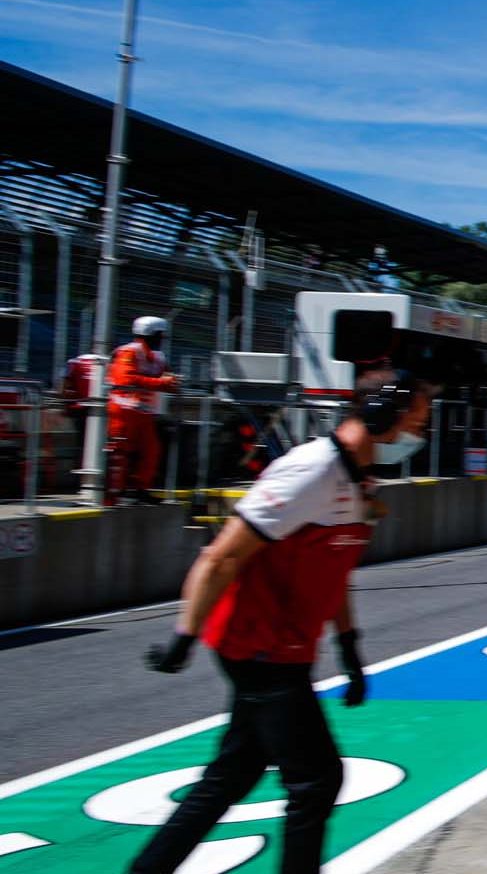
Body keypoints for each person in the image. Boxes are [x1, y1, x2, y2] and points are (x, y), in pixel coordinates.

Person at [134, 370, 435, 874]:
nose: (419, 437)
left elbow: (333, 568)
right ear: (383, 415)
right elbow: (220, 556)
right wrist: (183, 637)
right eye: (417, 422)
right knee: (316, 778)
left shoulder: (359, 481)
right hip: (259, 647)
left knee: (234, 773)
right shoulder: (309, 472)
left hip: (288, 647)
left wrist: (349, 647)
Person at [109, 316, 180, 504]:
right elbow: (125, 380)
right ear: (150, 334)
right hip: (123, 409)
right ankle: (118, 491)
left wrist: (172, 382)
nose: (162, 340)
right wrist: (160, 383)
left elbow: (168, 379)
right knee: (121, 451)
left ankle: (140, 489)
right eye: (160, 335)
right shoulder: (127, 352)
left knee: (151, 451)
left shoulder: (158, 357)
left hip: (144, 412)